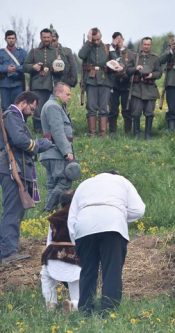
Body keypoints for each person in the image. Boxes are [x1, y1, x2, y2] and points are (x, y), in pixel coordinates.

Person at [68, 171, 145, 315]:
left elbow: (72, 217)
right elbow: (139, 209)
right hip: (113, 225)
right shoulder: (122, 180)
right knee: (112, 271)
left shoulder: (84, 184)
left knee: (87, 271)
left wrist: (76, 243)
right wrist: (119, 212)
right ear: (115, 175)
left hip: (84, 225)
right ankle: (109, 312)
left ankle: (85, 310)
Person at [0, 91, 53, 264]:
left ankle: (9, 246)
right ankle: (8, 252)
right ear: (23, 103)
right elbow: (20, 140)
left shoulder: (15, 117)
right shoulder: (12, 116)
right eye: (32, 107)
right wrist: (39, 144)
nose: (32, 111)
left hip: (15, 167)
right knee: (13, 209)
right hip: (11, 168)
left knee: (16, 209)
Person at [40, 190, 80, 312]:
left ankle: (51, 303)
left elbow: (49, 243)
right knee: (75, 280)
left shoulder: (54, 218)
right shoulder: (79, 217)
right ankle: (74, 304)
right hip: (74, 261)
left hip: (54, 259)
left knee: (45, 275)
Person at [40, 82, 76, 211]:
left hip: (51, 152)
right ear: (58, 93)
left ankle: (48, 214)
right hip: (56, 152)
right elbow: (58, 131)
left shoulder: (53, 105)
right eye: (67, 94)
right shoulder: (53, 107)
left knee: (53, 184)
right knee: (64, 182)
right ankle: (49, 210)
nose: (69, 97)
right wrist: (67, 151)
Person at [78, 27, 113, 137]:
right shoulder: (87, 47)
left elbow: (116, 59)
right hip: (91, 80)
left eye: (98, 39)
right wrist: (88, 42)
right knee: (91, 107)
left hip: (105, 80)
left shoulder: (107, 47)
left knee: (103, 107)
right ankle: (92, 133)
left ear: (101, 37)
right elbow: (81, 55)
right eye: (94, 40)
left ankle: (103, 133)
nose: (97, 42)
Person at [24, 28, 59, 133]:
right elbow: (25, 66)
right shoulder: (34, 51)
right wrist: (33, 67)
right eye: (44, 37)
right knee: (37, 109)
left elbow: (60, 69)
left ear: (51, 38)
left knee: (49, 109)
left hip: (50, 85)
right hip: (36, 85)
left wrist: (57, 69)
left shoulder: (55, 52)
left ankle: (48, 131)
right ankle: (38, 130)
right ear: (41, 37)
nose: (46, 39)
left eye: (48, 37)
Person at [127, 37, 161, 139]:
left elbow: (159, 72)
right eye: (145, 44)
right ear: (142, 45)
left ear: (151, 45)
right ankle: (136, 134)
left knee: (149, 113)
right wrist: (135, 69)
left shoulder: (155, 58)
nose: (146, 46)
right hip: (137, 89)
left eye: (148, 44)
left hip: (150, 89)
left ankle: (148, 134)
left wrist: (152, 75)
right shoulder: (135, 57)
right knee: (136, 113)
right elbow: (127, 70)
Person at [108, 32, 135, 134]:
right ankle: (112, 132)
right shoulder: (110, 52)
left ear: (123, 39)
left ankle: (128, 132)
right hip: (114, 84)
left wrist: (126, 73)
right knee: (113, 110)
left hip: (126, 84)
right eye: (116, 40)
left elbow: (133, 66)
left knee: (127, 109)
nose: (118, 41)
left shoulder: (131, 53)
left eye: (120, 39)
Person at [0, 30, 27, 111]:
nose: (11, 40)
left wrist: (16, 68)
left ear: (15, 39)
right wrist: (6, 68)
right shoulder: (1, 53)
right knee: (5, 108)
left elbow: (26, 66)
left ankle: (17, 123)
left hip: (17, 84)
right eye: (9, 38)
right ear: (5, 39)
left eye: (13, 38)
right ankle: (6, 124)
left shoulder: (22, 52)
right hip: (5, 84)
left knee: (18, 107)